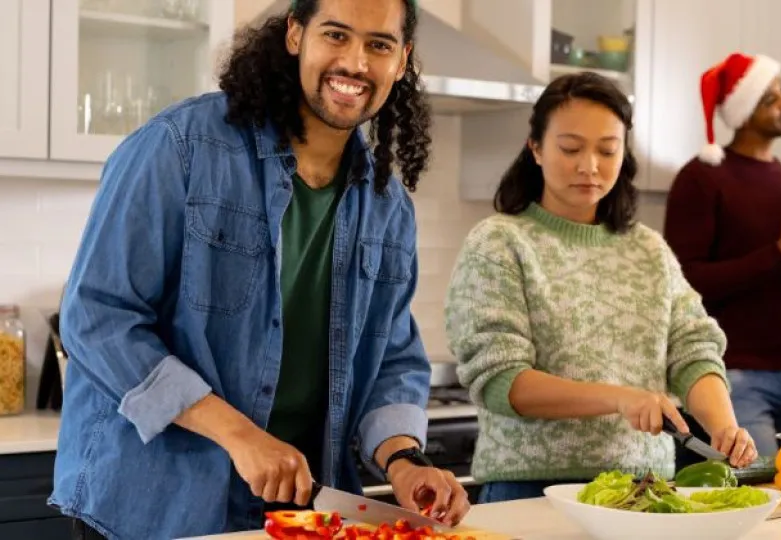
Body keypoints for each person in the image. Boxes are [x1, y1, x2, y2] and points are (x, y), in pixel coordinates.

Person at [50, 1, 470, 538]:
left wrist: (405, 462)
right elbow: (96, 318)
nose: (356, 63)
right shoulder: (181, 147)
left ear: (402, 59)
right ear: (296, 34)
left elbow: (391, 356)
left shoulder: (388, 206)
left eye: (379, 45)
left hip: (297, 509)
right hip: (152, 507)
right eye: (336, 35)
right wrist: (239, 435)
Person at [444, 72, 758, 504]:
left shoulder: (648, 249)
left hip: (645, 494)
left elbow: (693, 349)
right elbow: (501, 380)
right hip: (533, 492)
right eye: (571, 148)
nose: (589, 165)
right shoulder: (498, 243)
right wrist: (620, 399)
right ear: (534, 148)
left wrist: (722, 424)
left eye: (607, 150)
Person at [663, 52, 781, 458]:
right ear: (743, 114)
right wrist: (779, 253)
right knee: (764, 499)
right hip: (734, 379)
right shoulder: (702, 178)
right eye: (769, 98)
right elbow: (684, 285)